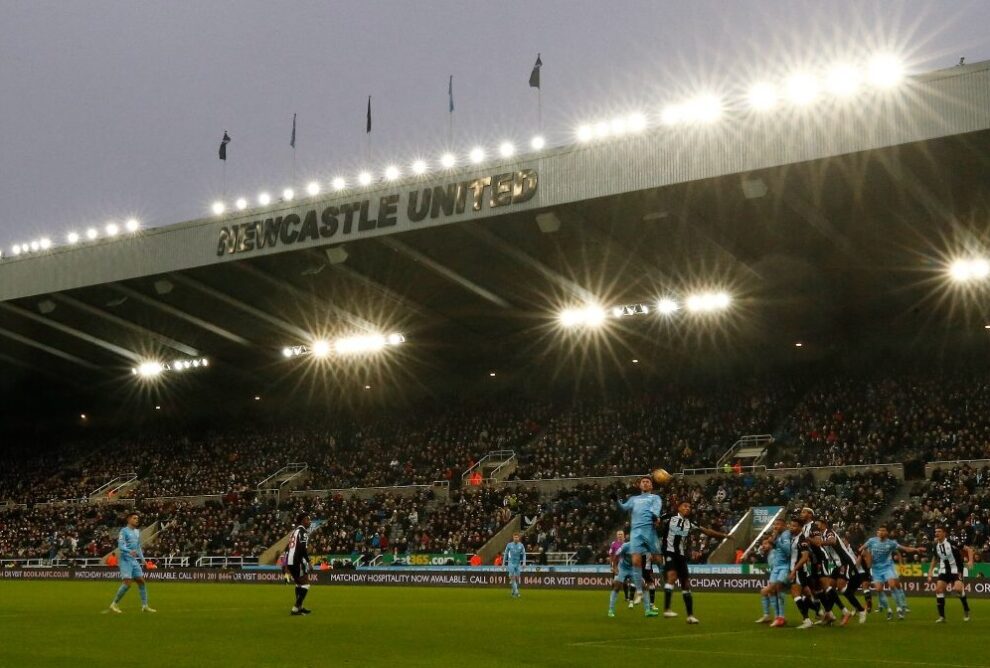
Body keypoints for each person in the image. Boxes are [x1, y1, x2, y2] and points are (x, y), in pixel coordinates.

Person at [659, 500, 729, 624]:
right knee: (672, 576)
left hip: (681, 555)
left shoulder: (690, 523)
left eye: (689, 506)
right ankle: (667, 608)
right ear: (679, 508)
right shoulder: (669, 517)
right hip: (669, 553)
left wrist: (723, 535)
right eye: (685, 506)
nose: (688, 508)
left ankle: (690, 616)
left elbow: (707, 531)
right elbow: (655, 521)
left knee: (686, 584)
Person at [615, 476, 663, 618]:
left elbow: (656, 509)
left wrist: (655, 516)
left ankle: (668, 584)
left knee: (658, 560)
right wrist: (615, 500)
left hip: (649, 531)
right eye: (643, 481)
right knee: (636, 561)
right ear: (639, 485)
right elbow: (623, 508)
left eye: (648, 481)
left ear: (651, 485)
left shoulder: (655, 498)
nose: (645, 483)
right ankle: (641, 595)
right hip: (636, 532)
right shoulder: (634, 499)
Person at [862, 525, 925, 620]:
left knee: (892, 585)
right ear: (877, 533)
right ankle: (889, 610)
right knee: (878, 589)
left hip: (887, 567)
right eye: (880, 531)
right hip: (876, 569)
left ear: (887, 533)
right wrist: (864, 553)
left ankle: (900, 608)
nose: (881, 532)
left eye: (883, 530)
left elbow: (905, 549)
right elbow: (862, 549)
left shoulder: (891, 543)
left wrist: (916, 549)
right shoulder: (872, 541)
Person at [107, 512, 155, 614]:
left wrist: (143, 560)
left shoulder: (137, 532)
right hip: (125, 560)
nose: (137, 520)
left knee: (141, 581)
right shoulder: (123, 531)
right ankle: (114, 604)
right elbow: (121, 546)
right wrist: (129, 551)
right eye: (134, 518)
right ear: (129, 520)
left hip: (134, 560)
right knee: (128, 584)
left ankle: (145, 606)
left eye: (137, 518)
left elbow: (138, 547)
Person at [927, 526, 973, 623]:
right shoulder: (935, 545)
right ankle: (942, 617)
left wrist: (970, 562)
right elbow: (935, 558)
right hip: (944, 570)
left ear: (944, 533)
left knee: (958, 589)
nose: (937, 533)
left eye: (939, 531)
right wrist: (930, 570)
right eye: (936, 532)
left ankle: (966, 610)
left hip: (956, 569)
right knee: (938, 590)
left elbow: (969, 549)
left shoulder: (952, 543)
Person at [756, 517, 790, 627]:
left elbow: (788, 551)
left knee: (773, 590)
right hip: (777, 569)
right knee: (772, 591)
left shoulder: (785, 535)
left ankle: (780, 616)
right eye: (775, 524)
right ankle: (777, 617)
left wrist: (774, 542)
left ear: (784, 525)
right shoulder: (778, 538)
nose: (776, 526)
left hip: (785, 567)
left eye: (778, 524)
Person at [284, 513, 313, 616]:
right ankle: (296, 607)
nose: (309, 521)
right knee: (306, 584)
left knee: (299, 584)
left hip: (291, 561)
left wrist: (286, 565)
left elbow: (287, 548)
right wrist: (309, 562)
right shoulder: (303, 532)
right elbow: (302, 548)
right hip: (297, 560)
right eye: (307, 520)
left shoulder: (294, 532)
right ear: (302, 521)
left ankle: (299, 607)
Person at [608, 538, 635, 617]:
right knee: (616, 587)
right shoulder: (619, 545)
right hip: (621, 568)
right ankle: (611, 609)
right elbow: (614, 555)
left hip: (631, 569)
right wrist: (614, 567)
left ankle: (629, 598)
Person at [502, 532, 526, 598]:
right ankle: (517, 592)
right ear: (513, 538)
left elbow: (524, 554)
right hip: (511, 563)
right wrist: (503, 564)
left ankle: (513, 590)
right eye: (515, 537)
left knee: (517, 578)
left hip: (518, 564)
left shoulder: (521, 545)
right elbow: (505, 554)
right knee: (512, 577)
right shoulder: (509, 545)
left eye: (517, 537)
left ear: (519, 538)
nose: (516, 538)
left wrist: (524, 563)